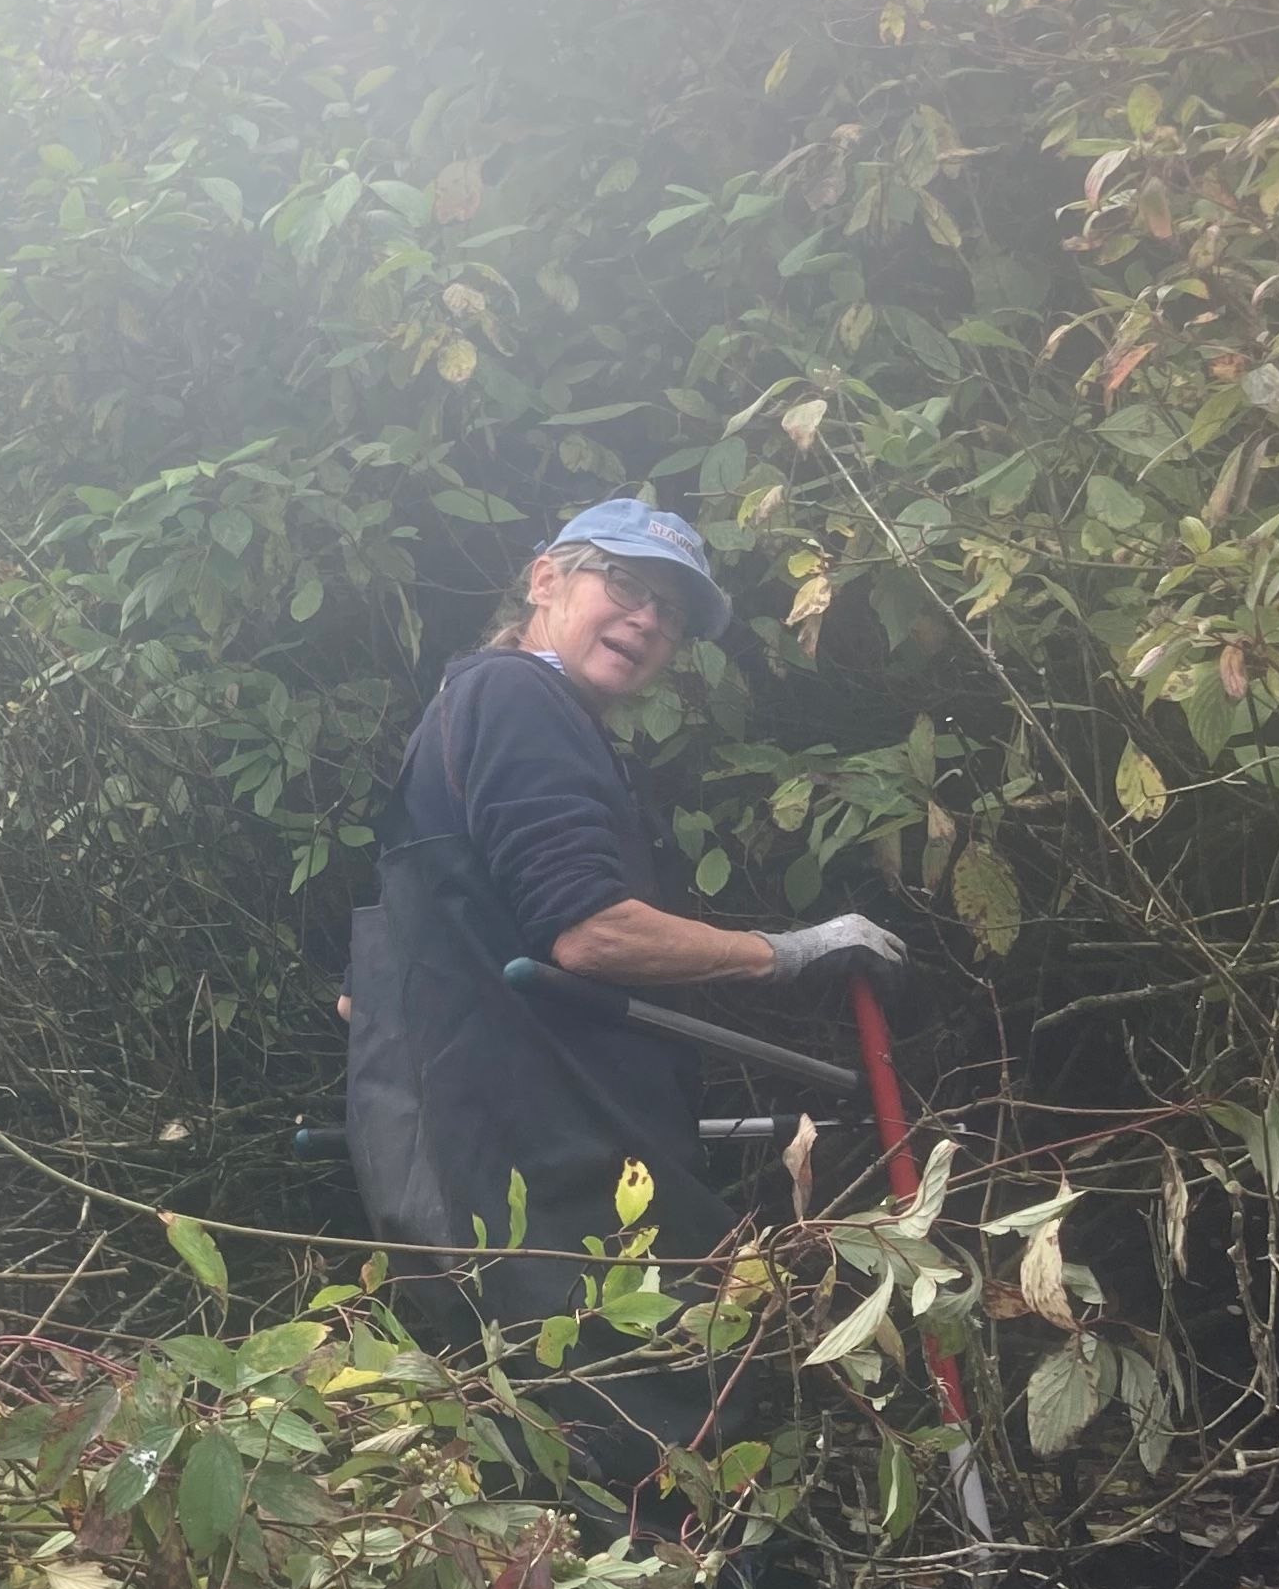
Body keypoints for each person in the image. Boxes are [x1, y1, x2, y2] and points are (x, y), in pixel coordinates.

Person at [346, 496, 902, 1447]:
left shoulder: (470, 706)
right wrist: (790, 953)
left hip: (488, 1157)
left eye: (671, 614)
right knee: (650, 1440)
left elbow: (383, 968)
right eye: (628, 585)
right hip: (545, 1165)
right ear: (546, 580)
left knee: (544, 1458)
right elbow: (588, 933)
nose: (648, 620)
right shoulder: (519, 697)